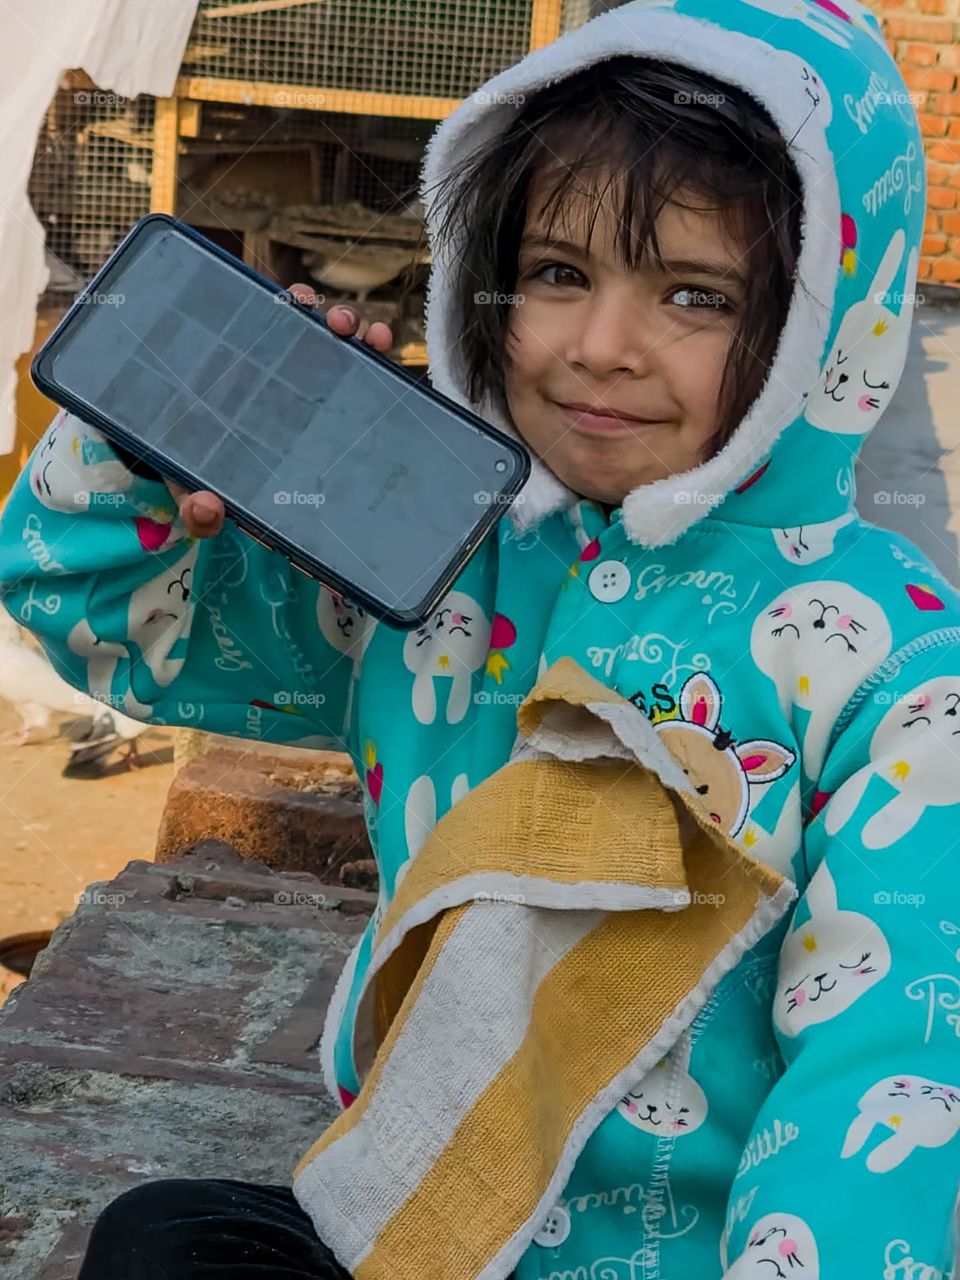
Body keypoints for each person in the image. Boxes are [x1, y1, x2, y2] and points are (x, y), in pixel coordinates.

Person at [2, 0, 959, 1275]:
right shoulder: (436, 555)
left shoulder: (891, 663)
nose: (600, 349)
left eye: (694, 293)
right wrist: (155, 440)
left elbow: (884, 1070)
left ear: (823, 329)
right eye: (558, 273)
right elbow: (106, 620)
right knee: (162, 1239)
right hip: (408, 1227)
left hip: (683, 1255)